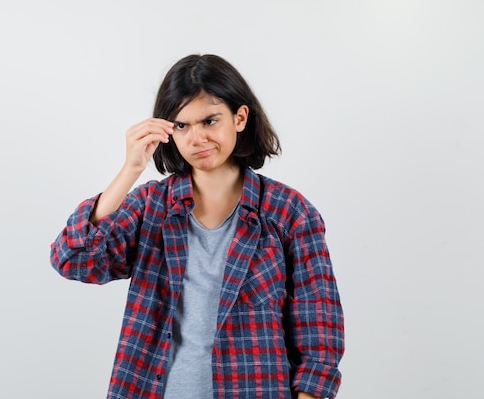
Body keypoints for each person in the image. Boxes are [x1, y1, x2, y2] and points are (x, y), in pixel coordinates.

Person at [50, 54, 344, 399]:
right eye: (181, 126)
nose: (196, 138)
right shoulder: (150, 207)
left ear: (240, 117)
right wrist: (130, 170)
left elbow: (320, 333)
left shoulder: (289, 213)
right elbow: (73, 259)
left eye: (209, 121)